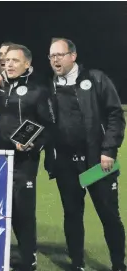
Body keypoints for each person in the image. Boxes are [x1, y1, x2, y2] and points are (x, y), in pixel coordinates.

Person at [44, 38, 126, 271]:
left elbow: (115, 116)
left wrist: (108, 150)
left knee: (108, 215)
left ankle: (119, 264)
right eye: (51, 56)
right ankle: (77, 263)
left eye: (60, 55)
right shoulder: (50, 85)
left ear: (73, 55)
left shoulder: (96, 79)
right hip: (67, 165)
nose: (55, 60)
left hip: (97, 162)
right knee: (72, 215)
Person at [0, 44, 53, 271]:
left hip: (23, 162)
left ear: (28, 64)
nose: (9, 64)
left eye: (15, 60)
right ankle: (3, 253)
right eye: (6, 60)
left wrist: (34, 144)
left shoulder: (37, 90)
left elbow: (48, 125)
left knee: (22, 211)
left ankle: (29, 257)